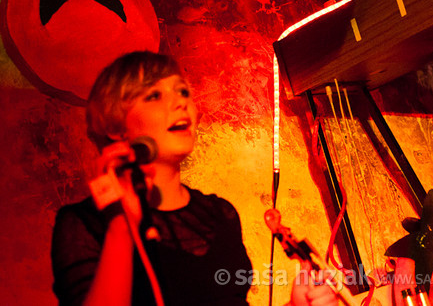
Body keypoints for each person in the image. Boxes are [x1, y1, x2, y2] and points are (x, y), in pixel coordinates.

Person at [51, 51, 336, 306]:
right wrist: (122, 229)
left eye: (183, 92)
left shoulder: (220, 213)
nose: (180, 103)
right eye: (154, 95)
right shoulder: (83, 223)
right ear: (116, 127)